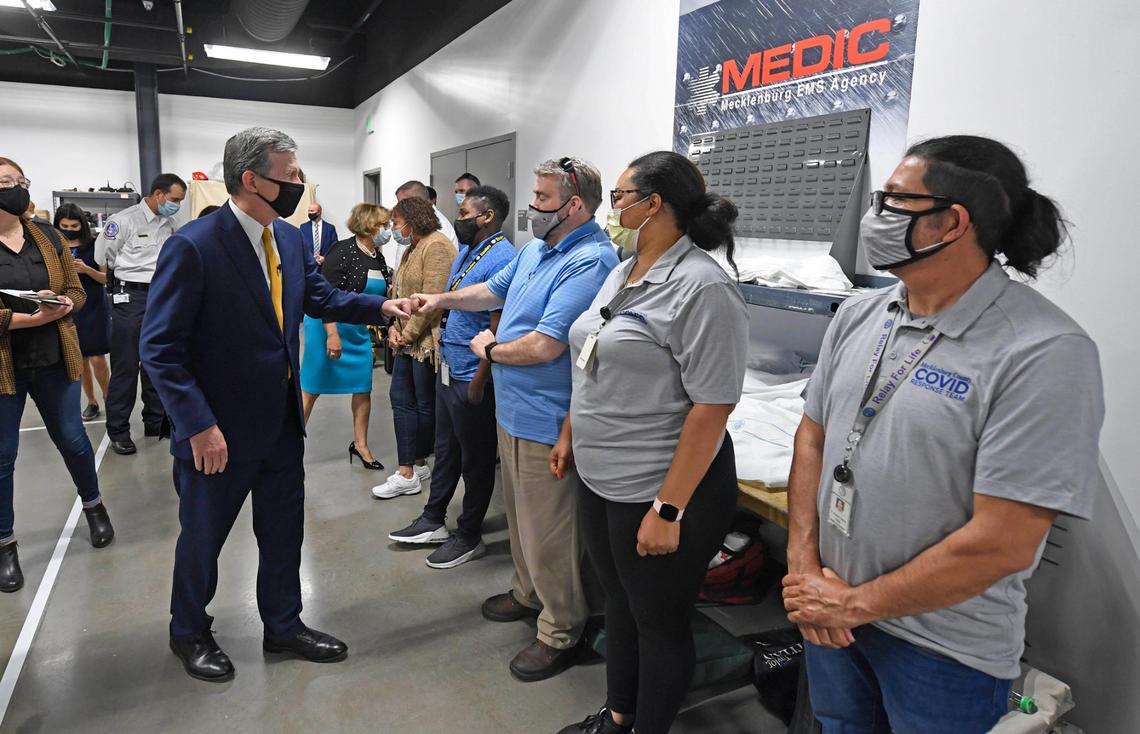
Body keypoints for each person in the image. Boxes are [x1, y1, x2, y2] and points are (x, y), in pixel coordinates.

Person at [780, 135, 1104, 734]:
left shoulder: (1042, 351)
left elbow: (1002, 542)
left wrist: (854, 603)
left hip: (942, 647)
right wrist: (804, 569)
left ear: (951, 222)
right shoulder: (859, 314)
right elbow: (813, 438)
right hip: (830, 609)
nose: (874, 215)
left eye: (893, 201)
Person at [139, 127, 412, 683]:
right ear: (250, 179)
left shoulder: (287, 240)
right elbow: (160, 350)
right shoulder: (195, 245)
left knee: (284, 532)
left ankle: (284, 625)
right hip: (217, 432)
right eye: (289, 176)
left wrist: (385, 307)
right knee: (203, 538)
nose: (299, 185)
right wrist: (198, 425)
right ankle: (188, 630)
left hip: (282, 423)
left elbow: (323, 297)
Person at [556, 151, 749, 734]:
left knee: (659, 620)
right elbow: (593, 358)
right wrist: (570, 431)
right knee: (618, 601)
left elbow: (713, 406)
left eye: (618, 197)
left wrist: (669, 508)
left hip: (660, 484)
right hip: (600, 471)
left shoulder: (703, 287)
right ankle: (618, 716)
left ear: (653, 204)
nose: (612, 208)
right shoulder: (624, 270)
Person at [411, 157, 619, 682]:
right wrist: (439, 299)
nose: (531, 208)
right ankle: (528, 595)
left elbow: (547, 344)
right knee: (525, 524)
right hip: (513, 411)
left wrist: (491, 349)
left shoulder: (591, 260)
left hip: (549, 418)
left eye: (543, 200)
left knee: (551, 532)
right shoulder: (535, 250)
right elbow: (490, 292)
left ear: (575, 205)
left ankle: (561, 630)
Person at [0, 158, 115, 592]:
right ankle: (5, 545)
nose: (16, 188)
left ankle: (95, 506)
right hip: (5, 367)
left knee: (72, 440)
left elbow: (76, 289)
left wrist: (63, 304)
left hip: (54, 358)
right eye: (5, 182)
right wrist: (28, 318)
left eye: (20, 181)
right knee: (2, 457)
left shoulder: (47, 236)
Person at [388, 185, 515, 569]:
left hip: (472, 376)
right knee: (446, 449)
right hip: (449, 366)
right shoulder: (468, 252)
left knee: (475, 458)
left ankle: (469, 532)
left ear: (487, 216)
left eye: (463, 215)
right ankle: (433, 518)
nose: (457, 221)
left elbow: (497, 324)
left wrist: (479, 381)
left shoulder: (503, 258)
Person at [95, 172, 187, 456]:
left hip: (161, 295)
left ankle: (155, 422)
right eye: (174, 200)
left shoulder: (169, 224)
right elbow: (103, 258)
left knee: (156, 360)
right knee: (126, 366)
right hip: (130, 297)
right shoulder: (123, 221)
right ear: (158, 194)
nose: (177, 206)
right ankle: (119, 431)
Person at [372, 197, 456, 498]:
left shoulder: (437, 246)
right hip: (406, 338)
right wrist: (394, 327)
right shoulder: (412, 247)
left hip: (423, 341)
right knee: (402, 399)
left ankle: (410, 470)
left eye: (395, 223)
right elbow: (399, 291)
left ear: (413, 220)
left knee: (420, 405)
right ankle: (413, 465)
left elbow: (432, 300)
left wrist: (405, 335)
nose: (393, 229)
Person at [300, 203, 392, 470]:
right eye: (382, 225)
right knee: (312, 388)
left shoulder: (378, 256)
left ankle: (360, 445)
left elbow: (382, 296)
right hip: (327, 326)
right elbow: (324, 297)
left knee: (363, 387)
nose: (386, 230)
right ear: (369, 225)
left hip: (357, 329)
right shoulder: (342, 251)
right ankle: (292, 445)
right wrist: (332, 335)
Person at [54, 204, 110, 421]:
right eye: (64, 225)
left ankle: (108, 397)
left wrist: (86, 269)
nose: (69, 229)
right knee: (80, 359)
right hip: (68, 306)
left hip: (93, 305)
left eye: (74, 225)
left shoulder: (94, 246)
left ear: (82, 225)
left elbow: (106, 279)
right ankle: (91, 401)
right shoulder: (54, 246)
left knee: (97, 357)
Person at [300, 201, 339, 266]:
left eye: (312, 211)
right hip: (309, 265)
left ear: (319, 212)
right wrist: (310, 259)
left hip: (325, 265)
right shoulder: (303, 227)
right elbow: (301, 246)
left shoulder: (330, 228)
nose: (309, 213)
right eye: (309, 211)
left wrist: (325, 258)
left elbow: (334, 246)